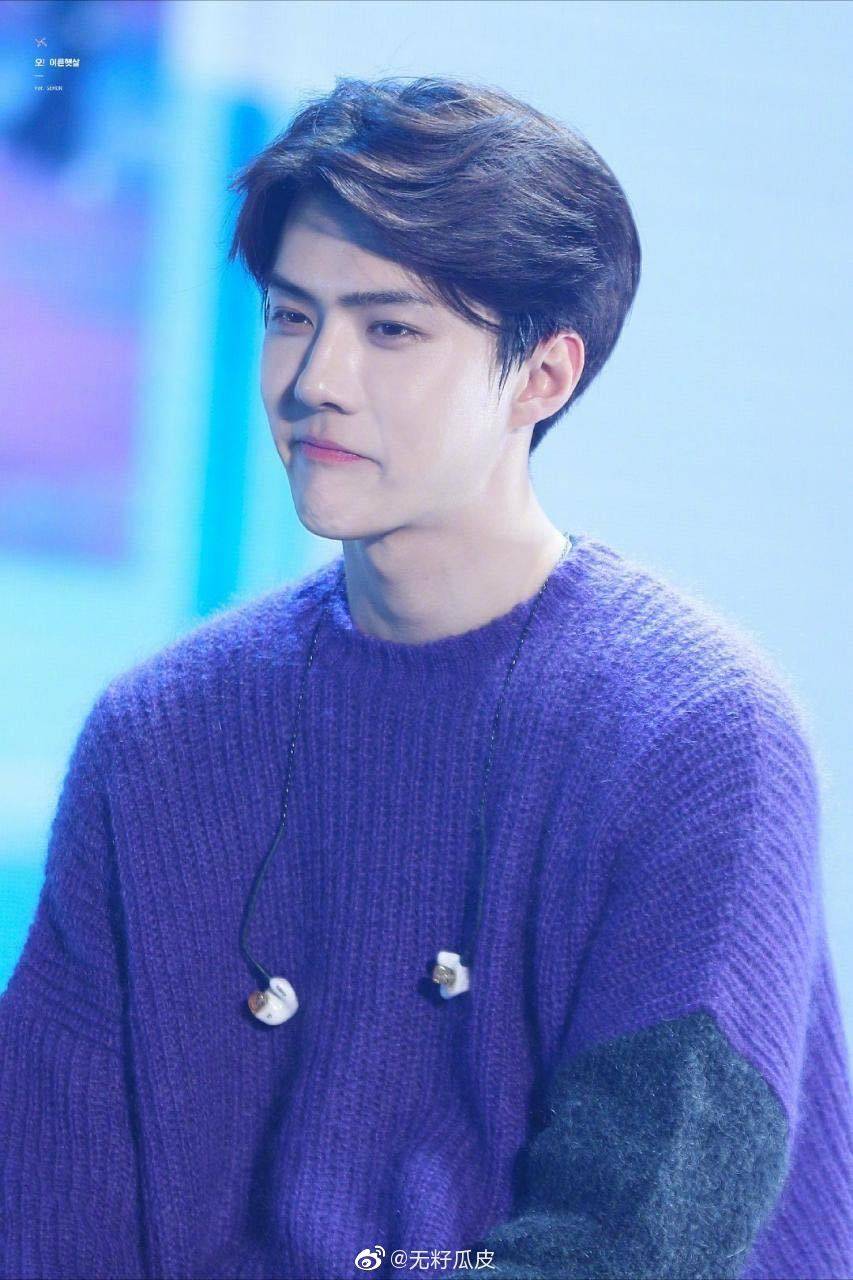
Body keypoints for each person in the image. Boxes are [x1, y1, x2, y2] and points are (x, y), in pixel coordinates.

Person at [1, 74, 850, 1280]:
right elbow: (47, 1205)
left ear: (543, 374)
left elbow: (634, 1238)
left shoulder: (698, 735)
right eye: (292, 316)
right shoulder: (158, 736)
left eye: (389, 329)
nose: (315, 378)